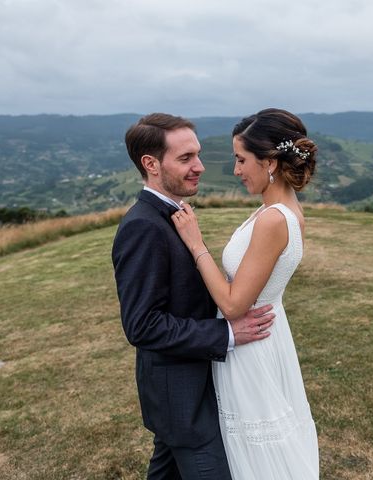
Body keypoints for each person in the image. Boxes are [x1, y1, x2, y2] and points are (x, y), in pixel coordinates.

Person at [111, 113, 276, 480]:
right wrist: (228, 334)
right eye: (186, 159)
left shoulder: (174, 215)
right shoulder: (142, 227)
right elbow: (142, 326)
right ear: (151, 165)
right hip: (181, 400)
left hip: (190, 394)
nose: (200, 167)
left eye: (197, 155)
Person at [172, 108, 319, 479]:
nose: (235, 170)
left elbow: (235, 303)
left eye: (241, 160)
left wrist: (195, 243)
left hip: (251, 344)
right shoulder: (280, 210)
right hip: (266, 334)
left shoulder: (273, 219)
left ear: (270, 162)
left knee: (257, 456)